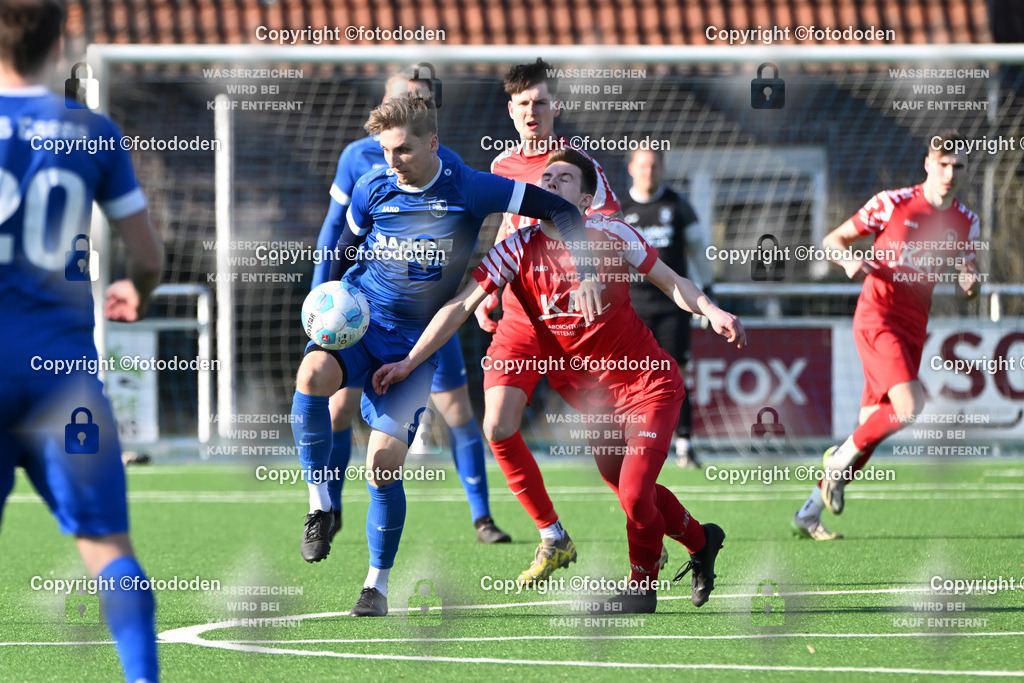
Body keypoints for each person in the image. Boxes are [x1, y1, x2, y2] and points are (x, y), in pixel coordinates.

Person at [373, 149, 747, 614]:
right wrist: (410, 362)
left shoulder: (612, 234)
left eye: (564, 178)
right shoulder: (517, 246)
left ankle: (640, 588)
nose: (549, 182)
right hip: (594, 402)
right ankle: (701, 539)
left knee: (632, 493)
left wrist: (711, 311)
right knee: (630, 490)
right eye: (545, 176)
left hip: (647, 385)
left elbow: (672, 281)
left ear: (586, 198)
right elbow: (460, 306)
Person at [290, 94, 602, 617]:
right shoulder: (373, 186)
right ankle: (319, 504)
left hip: (416, 342)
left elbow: (561, 211)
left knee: (384, 463)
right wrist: (326, 297)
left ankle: (376, 585)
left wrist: (587, 270)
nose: (392, 162)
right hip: (360, 323)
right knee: (312, 372)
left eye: (403, 151)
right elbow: (345, 245)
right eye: (385, 150)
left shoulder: (473, 188)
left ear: (433, 143)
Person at [0, 1, 163, 680]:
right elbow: (147, 255)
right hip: (64, 377)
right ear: (61, 41)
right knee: (108, 547)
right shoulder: (90, 131)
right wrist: (138, 290)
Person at [308, 67, 510, 550]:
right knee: (338, 406)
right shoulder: (357, 158)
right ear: (385, 101)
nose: (410, 106)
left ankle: (482, 517)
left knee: (458, 409)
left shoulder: (448, 167)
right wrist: (323, 299)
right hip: (363, 312)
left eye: (421, 100)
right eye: (404, 97)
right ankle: (327, 511)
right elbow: (337, 232)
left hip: (425, 318)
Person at [475, 58, 623, 584]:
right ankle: (552, 535)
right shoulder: (499, 167)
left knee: (612, 456)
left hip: (570, 322)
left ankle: (669, 529)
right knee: (498, 424)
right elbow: (506, 226)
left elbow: (609, 228)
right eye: (522, 104)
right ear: (511, 112)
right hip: (519, 315)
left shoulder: (581, 166)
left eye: (540, 102)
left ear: (554, 106)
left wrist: (586, 274)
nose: (532, 111)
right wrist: (489, 293)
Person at [792, 130, 979, 540]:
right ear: (928, 163)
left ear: (966, 170)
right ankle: (835, 463)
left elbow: (969, 271)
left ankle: (808, 512)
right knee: (910, 405)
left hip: (915, 328)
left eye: (958, 166)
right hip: (878, 317)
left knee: (870, 429)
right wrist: (846, 261)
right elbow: (833, 240)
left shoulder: (966, 221)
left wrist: (970, 281)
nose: (949, 173)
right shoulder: (892, 202)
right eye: (942, 164)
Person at [621, 145, 713, 469]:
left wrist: (708, 293)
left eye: (654, 165)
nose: (649, 171)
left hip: (675, 305)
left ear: (662, 169)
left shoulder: (678, 205)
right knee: (632, 376)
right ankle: (633, 442)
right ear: (632, 168)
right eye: (643, 165)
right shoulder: (620, 209)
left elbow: (700, 249)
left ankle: (685, 444)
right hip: (632, 308)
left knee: (676, 372)